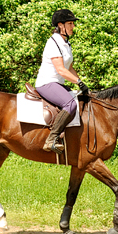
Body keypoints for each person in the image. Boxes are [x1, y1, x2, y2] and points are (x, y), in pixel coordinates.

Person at [34, 9, 89, 153]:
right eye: (70, 23)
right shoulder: (54, 43)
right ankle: (51, 139)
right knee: (70, 105)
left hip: (57, 84)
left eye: (73, 23)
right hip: (46, 83)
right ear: (60, 25)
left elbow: (69, 68)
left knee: (80, 99)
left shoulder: (65, 43)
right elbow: (60, 70)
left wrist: (81, 83)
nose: (73, 27)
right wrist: (78, 82)